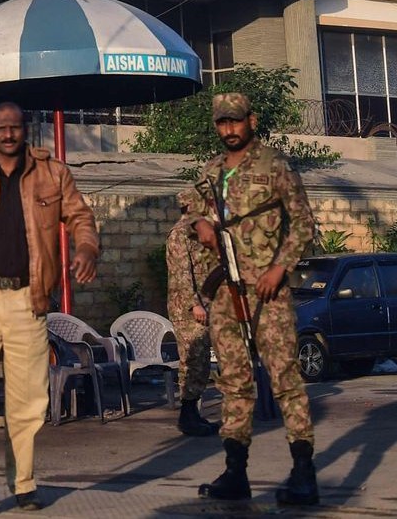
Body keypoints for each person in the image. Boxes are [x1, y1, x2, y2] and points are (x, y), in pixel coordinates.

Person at [0, 102, 100, 518]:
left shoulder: (53, 173)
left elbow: (80, 217)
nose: (8, 134)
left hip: (29, 302)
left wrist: (86, 248)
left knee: (27, 401)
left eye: (15, 127)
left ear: (25, 129)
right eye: (1, 128)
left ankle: (24, 482)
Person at [188, 92, 317, 505]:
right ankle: (235, 471)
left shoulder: (274, 165)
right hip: (226, 291)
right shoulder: (211, 170)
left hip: (268, 291)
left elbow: (303, 223)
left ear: (251, 121)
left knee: (285, 379)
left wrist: (280, 268)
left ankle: (303, 472)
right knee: (233, 381)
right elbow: (192, 210)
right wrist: (199, 224)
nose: (229, 129)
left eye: (236, 121)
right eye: (222, 123)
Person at [167, 189, 219, 437]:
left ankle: (193, 413)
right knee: (192, 360)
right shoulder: (179, 234)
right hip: (186, 308)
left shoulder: (197, 232)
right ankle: (187, 416)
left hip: (204, 304)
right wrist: (194, 304)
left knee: (201, 361)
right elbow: (181, 274)